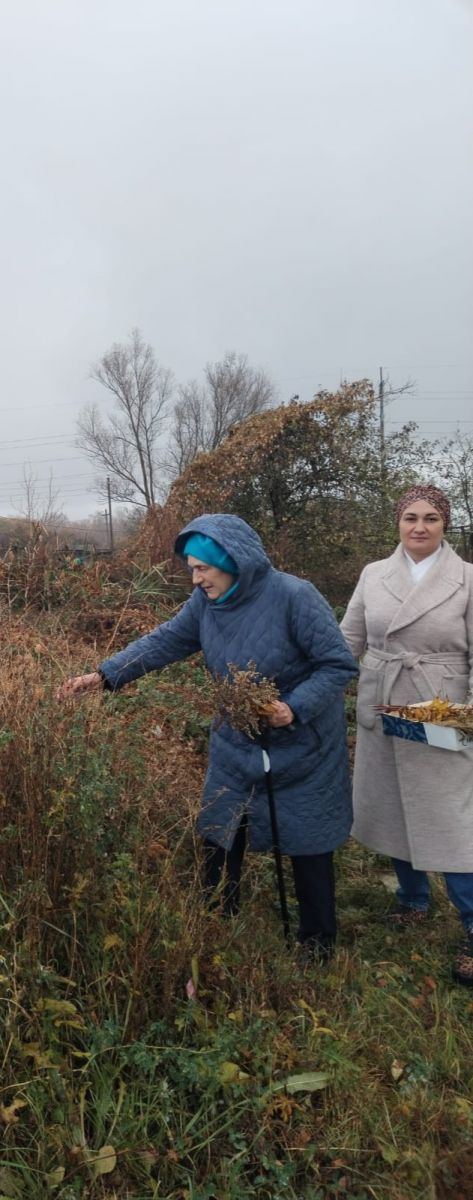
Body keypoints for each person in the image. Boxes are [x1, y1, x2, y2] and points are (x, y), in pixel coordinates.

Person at [57, 513, 357, 960]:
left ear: (232, 561)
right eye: (191, 569)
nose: (195, 579)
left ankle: (317, 942)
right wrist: (104, 676)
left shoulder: (295, 596)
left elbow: (338, 664)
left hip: (301, 742)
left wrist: (293, 707)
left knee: (307, 837)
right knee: (221, 828)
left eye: (203, 568)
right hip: (236, 739)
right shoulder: (205, 605)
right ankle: (217, 922)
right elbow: (164, 642)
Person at [340, 484, 473, 986]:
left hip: (441, 708)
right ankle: (412, 898)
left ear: (446, 525)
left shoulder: (467, 579)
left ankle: (472, 921)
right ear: (397, 522)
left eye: (431, 518)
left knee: (451, 816)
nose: (419, 527)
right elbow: (348, 640)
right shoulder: (374, 574)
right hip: (384, 699)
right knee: (395, 803)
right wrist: (310, 682)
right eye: (411, 517)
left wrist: (470, 716)